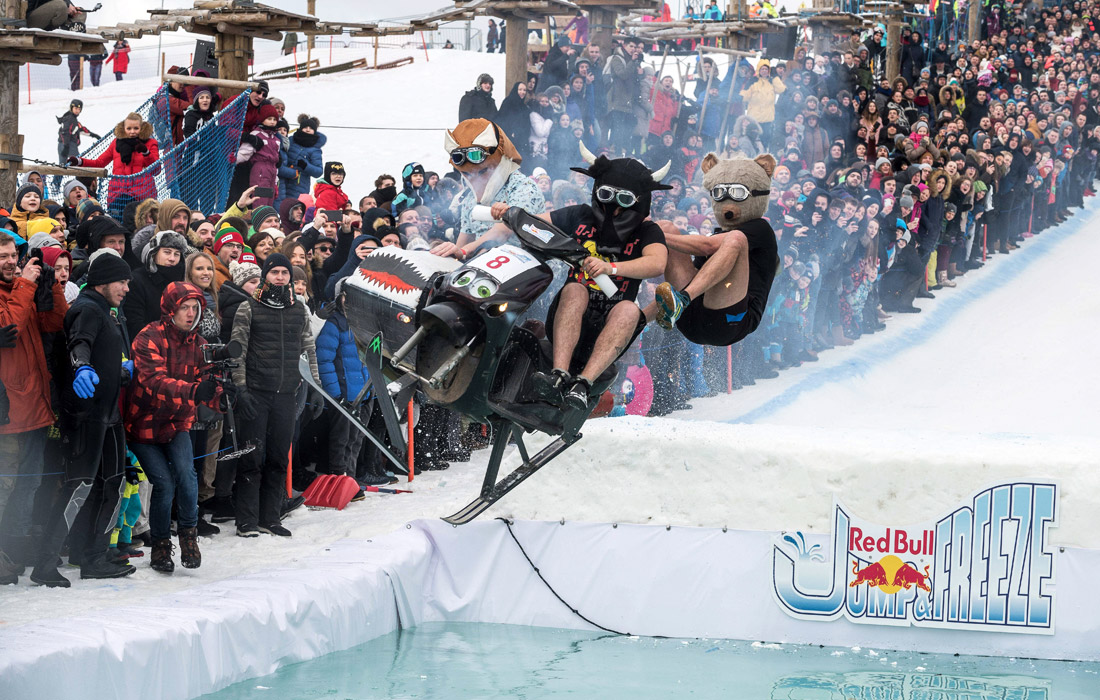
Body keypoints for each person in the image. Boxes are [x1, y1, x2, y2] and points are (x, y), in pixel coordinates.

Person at [34, 251, 136, 586]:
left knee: (114, 484)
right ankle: (45, 564)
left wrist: (119, 371)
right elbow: (80, 343)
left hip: (109, 414)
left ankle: (95, 556)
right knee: (79, 486)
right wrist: (83, 367)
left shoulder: (106, 309)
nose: (126, 289)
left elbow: (103, 352)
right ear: (103, 281)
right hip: (86, 415)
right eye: (122, 282)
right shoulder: (87, 309)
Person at [126, 282, 224, 573]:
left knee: (187, 475)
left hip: (178, 422)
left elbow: (209, 382)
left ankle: (188, 537)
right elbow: (154, 382)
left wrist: (225, 398)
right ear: (171, 309)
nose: (190, 313)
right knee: (164, 483)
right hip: (143, 424)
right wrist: (195, 392)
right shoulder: (149, 336)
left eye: (195, 308)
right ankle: (160, 545)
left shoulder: (200, 344)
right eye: (185, 308)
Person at [229, 254, 320, 538]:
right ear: (265, 276)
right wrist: (241, 389)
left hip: (287, 393)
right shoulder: (248, 307)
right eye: (274, 272)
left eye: (284, 273)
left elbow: (308, 349)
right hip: (256, 392)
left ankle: (270, 516)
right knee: (252, 458)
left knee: (279, 458)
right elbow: (237, 351)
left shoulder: (298, 309)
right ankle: (246, 520)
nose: (280, 277)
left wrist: (315, 387)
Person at [650, 154, 780, 350]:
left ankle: (682, 299)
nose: (727, 200)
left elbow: (708, 246)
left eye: (737, 192)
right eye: (720, 192)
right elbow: (696, 276)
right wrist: (640, 319)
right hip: (690, 319)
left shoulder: (760, 229)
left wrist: (649, 234)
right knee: (665, 227)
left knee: (735, 239)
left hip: (731, 321)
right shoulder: (718, 234)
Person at [0, 232, 69, 584]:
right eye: (2, 256)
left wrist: (50, 284)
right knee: (5, 487)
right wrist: (26, 284)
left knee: (29, 485)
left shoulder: (20, 288)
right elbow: (7, 325)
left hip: (35, 405)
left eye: (13, 255)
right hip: (8, 411)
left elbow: (55, 323)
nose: (11, 261)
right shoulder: (14, 291)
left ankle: (13, 550)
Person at [70, 112, 159, 211]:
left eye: (136, 128)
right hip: (118, 195)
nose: (132, 132)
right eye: (129, 128)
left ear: (141, 128)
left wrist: (146, 152)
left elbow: (156, 170)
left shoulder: (150, 143)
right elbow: (100, 163)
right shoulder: (116, 143)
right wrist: (79, 161)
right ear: (124, 128)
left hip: (142, 196)